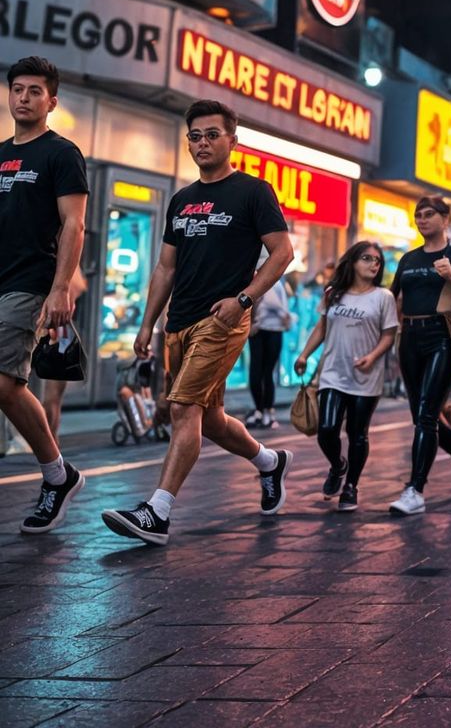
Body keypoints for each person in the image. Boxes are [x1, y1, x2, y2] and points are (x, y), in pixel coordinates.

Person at [102, 100, 294, 545]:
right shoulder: (182, 200)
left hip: (222, 320)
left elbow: (282, 253)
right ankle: (269, 462)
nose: (202, 143)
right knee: (209, 418)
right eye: (195, 136)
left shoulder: (253, 192)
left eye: (212, 134)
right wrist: (147, 324)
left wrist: (243, 300)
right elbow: (165, 267)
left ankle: (158, 512)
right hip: (179, 322)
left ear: (232, 141)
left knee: (182, 408)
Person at [0, 57, 89, 533]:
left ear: (51, 101)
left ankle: (57, 474)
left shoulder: (61, 154)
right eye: (18, 89)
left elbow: (74, 224)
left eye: (35, 91)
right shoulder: (0, 154)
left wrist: (60, 289)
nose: (24, 97)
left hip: (29, 283)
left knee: (3, 383)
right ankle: (58, 475)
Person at [387, 196, 451, 516]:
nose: (422, 220)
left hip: (443, 337)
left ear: (446, 219)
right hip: (409, 338)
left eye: (429, 214)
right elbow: (390, 299)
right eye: (418, 215)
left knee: (427, 415)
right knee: (421, 416)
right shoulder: (409, 258)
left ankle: (415, 490)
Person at [293, 241, 397, 510]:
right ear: (352, 262)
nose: (374, 264)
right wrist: (304, 355)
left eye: (377, 260)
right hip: (333, 372)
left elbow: (389, 335)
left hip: (366, 375)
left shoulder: (383, 297)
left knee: (357, 433)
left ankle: (351, 486)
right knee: (326, 430)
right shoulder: (333, 293)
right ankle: (338, 465)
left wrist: (372, 356)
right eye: (367, 258)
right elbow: (321, 327)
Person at [37, 263, 87, 439]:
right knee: (52, 398)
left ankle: (48, 443)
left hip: (54, 333)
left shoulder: (60, 264)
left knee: (50, 397)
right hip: (58, 334)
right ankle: (50, 442)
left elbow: (77, 285)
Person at [245, 275, 292, 430]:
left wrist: (285, 318)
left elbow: (284, 309)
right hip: (257, 330)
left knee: (267, 372)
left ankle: (267, 411)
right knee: (256, 371)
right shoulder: (254, 282)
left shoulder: (277, 284)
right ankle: (259, 409)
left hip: (274, 330)